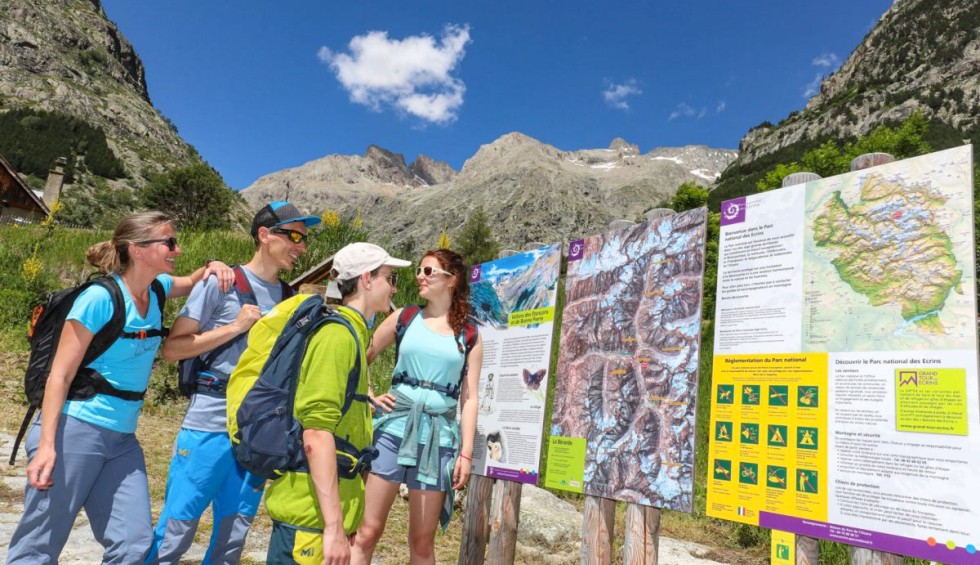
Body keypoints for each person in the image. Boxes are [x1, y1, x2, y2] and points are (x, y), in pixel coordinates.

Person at [6, 211, 234, 564]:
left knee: (133, 544)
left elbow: (194, 280)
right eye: (169, 242)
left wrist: (215, 265)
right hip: (73, 430)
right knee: (38, 547)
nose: (177, 249)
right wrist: (47, 446)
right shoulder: (99, 299)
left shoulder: (158, 289)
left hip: (122, 440)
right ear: (138, 249)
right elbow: (59, 376)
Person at [146, 202, 321, 565]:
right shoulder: (221, 283)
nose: (302, 247)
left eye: (304, 240)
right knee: (176, 532)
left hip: (256, 431)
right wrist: (235, 327)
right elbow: (173, 349)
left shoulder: (290, 299)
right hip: (208, 423)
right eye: (294, 236)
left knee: (232, 538)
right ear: (264, 235)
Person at [257, 242, 409, 565]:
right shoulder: (337, 337)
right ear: (366, 279)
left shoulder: (352, 333)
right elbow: (315, 434)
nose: (394, 288)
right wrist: (334, 527)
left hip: (318, 517)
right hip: (309, 521)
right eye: (390, 278)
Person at [352, 249, 483, 565]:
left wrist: (466, 454)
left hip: (438, 439)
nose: (419, 277)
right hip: (392, 430)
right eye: (420, 271)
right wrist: (368, 393)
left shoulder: (469, 334)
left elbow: (470, 398)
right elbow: (360, 355)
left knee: (422, 543)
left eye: (428, 271)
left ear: (451, 280)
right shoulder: (405, 317)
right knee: (367, 531)